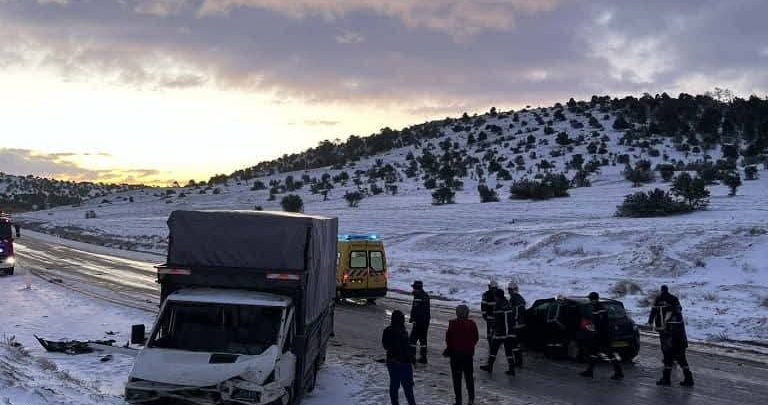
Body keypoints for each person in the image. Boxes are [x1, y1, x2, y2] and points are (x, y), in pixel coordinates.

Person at [649, 285, 693, 387]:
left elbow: (653, 311)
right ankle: (689, 378)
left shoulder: (659, 300)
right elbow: (679, 309)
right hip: (680, 338)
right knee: (682, 358)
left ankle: (666, 379)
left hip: (668, 337)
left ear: (661, 291)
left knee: (668, 357)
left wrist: (651, 321)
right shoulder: (676, 308)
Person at [579, 292, 624, 380]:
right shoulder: (597, 308)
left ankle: (618, 372)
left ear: (594, 299)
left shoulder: (599, 309)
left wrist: (596, 330)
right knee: (593, 352)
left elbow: (602, 323)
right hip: (601, 334)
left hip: (602, 335)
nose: (590, 301)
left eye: (591, 299)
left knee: (609, 353)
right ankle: (590, 371)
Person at [445, 304, 479, 405]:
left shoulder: (452, 324)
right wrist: (470, 346)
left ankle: (458, 401)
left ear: (457, 313)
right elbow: (476, 338)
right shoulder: (472, 324)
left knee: (457, 379)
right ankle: (471, 399)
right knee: (469, 377)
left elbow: (448, 339)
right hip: (468, 355)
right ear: (467, 313)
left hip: (455, 355)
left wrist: (450, 348)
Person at [382, 310, 417, 405]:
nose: (404, 320)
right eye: (402, 318)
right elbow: (406, 348)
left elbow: (386, 346)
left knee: (395, 386)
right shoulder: (401, 331)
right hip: (402, 363)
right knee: (407, 388)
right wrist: (412, 358)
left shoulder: (389, 330)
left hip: (395, 362)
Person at [479, 289, 517, 375]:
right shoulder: (507, 303)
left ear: (497, 296)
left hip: (501, 332)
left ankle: (489, 366)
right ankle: (512, 369)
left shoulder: (498, 305)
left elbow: (497, 320)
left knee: (493, 349)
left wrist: (493, 329)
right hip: (510, 332)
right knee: (508, 351)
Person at [409, 280, 431, 364]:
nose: (413, 289)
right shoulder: (425, 295)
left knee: (412, 340)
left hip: (419, 321)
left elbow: (416, 309)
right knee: (423, 339)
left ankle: (412, 357)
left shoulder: (418, 296)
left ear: (416, 288)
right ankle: (423, 358)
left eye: (414, 288)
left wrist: (413, 318)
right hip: (426, 321)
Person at [507, 281, 526, 368]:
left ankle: (518, 362)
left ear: (511, 290)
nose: (508, 291)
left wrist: (511, 321)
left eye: (509, 289)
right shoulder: (520, 298)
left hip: (516, 325)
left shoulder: (513, 299)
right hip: (521, 324)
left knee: (513, 344)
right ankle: (519, 361)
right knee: (517, 344)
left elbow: (514, 312)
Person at [480, 280, 498, 346]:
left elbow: (483, 306)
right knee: (495, 331)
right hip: (495, 317)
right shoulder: (498, 294)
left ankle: (491, 343)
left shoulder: (486, 295)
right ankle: (492, 343)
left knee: (490, 332)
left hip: (491, 317)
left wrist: (484, 315)